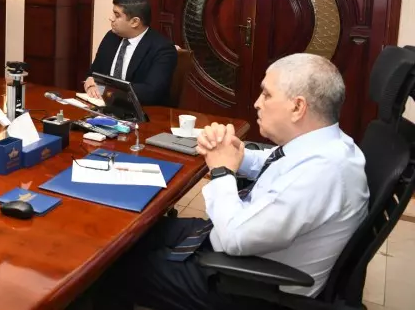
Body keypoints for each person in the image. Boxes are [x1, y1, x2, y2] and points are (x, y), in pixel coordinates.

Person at [90, 53, 369, 310]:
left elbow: (237, 239)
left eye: (267, 94)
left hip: (248, 284)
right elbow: (269, 161)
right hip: (233, 239)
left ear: (297, 107)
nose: (257, 103)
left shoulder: (323, 171)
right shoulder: (328, 144)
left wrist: (222, 170)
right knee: (126, 237)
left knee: (107, 267)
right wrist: (230, 150)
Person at [84, 0, 177, 105]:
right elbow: (93, 73)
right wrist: (90, 83)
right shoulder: (111, 37)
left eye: (117, 15)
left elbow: (152, 92)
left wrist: (109, 91)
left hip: (142, 110)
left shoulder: (162, 48)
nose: (111, 18)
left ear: (134, 22)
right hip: (102, 105)